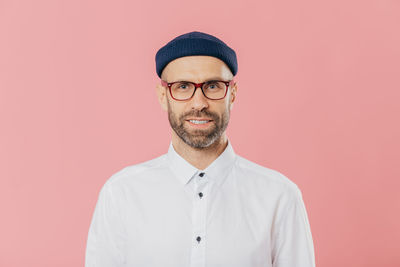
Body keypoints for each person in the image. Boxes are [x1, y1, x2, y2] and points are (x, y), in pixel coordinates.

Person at [85, 31, 316, 267]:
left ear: (232, 94)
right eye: (183, 86)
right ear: (163, 96)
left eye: (213, 86)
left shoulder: (279, 197)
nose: (199, 103)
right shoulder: (121, 194)